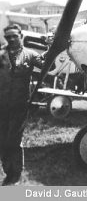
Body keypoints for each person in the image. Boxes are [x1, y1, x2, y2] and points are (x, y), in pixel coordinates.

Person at [0, 24, 44, 186]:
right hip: (2, 104)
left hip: (20, 104)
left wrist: (53, 50)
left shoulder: (30, 54)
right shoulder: (1, 54)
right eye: (8, 37)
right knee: (2, 139)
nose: (11, 39)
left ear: (21, 36)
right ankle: (8, 170)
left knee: (14, 138)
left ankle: (15, 173)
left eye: (14, 36)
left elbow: (50, 66)